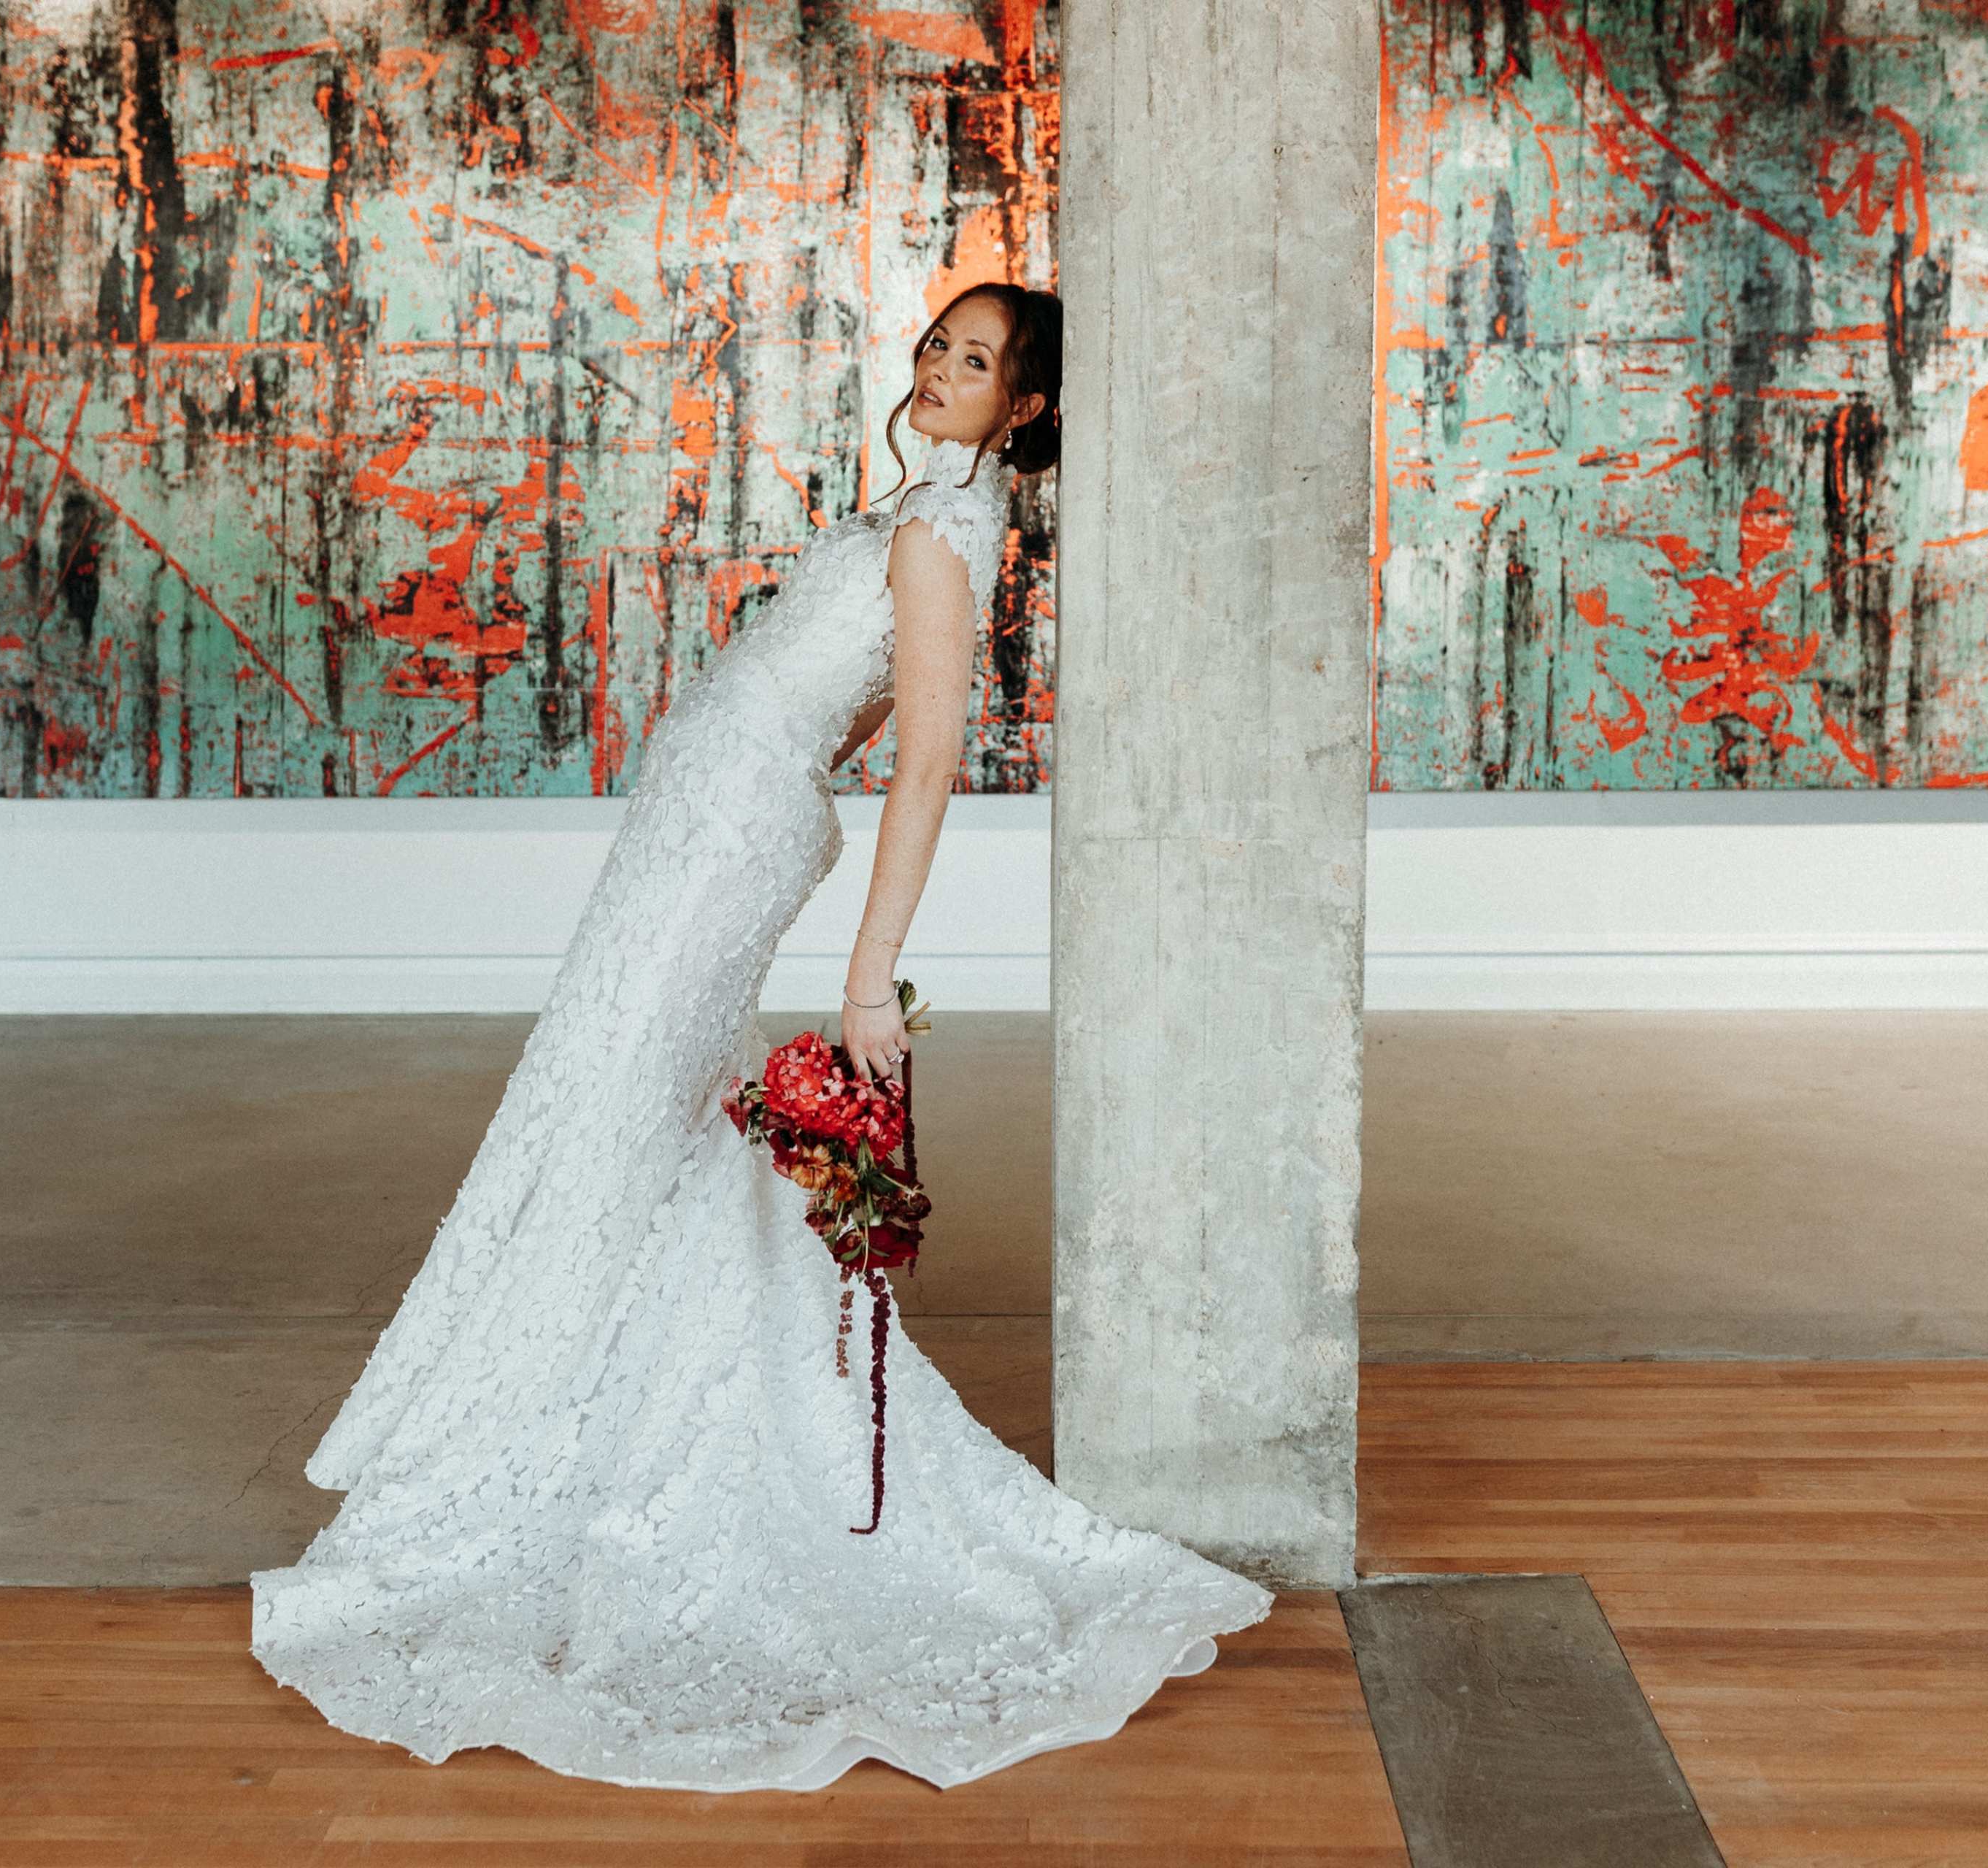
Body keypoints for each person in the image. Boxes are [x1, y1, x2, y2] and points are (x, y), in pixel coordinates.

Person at [249, 283, 1276, 1793]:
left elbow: (928, 763)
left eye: (976, 360)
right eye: (939, 340)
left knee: (616, 1111)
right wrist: (773, 747)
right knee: (620, 1109)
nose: (937, 367)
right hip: (713, 811)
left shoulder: (938, 538)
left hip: (724, 830)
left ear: (1028, 408)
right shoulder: (917, 513)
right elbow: (849, 704)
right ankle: (579, 1404)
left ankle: (553, 1443)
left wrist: (872, 979)